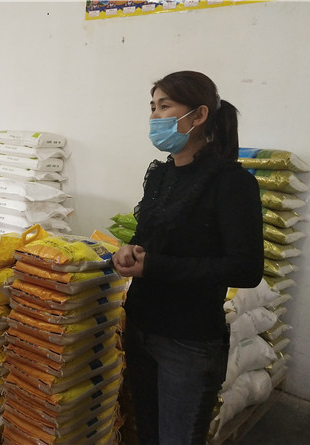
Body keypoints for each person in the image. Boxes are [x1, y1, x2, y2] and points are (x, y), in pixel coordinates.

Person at [112, 71, 264, 445]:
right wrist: (131, 250)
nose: (154, 117)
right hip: (141, 326)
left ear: (199, 115)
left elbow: (246, 268)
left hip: (188, 340)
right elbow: (147, 238)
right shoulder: (160, 176)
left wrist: (155, 265)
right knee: (147, 433)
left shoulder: (231, 183)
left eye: (164, 106)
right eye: (152, 107)